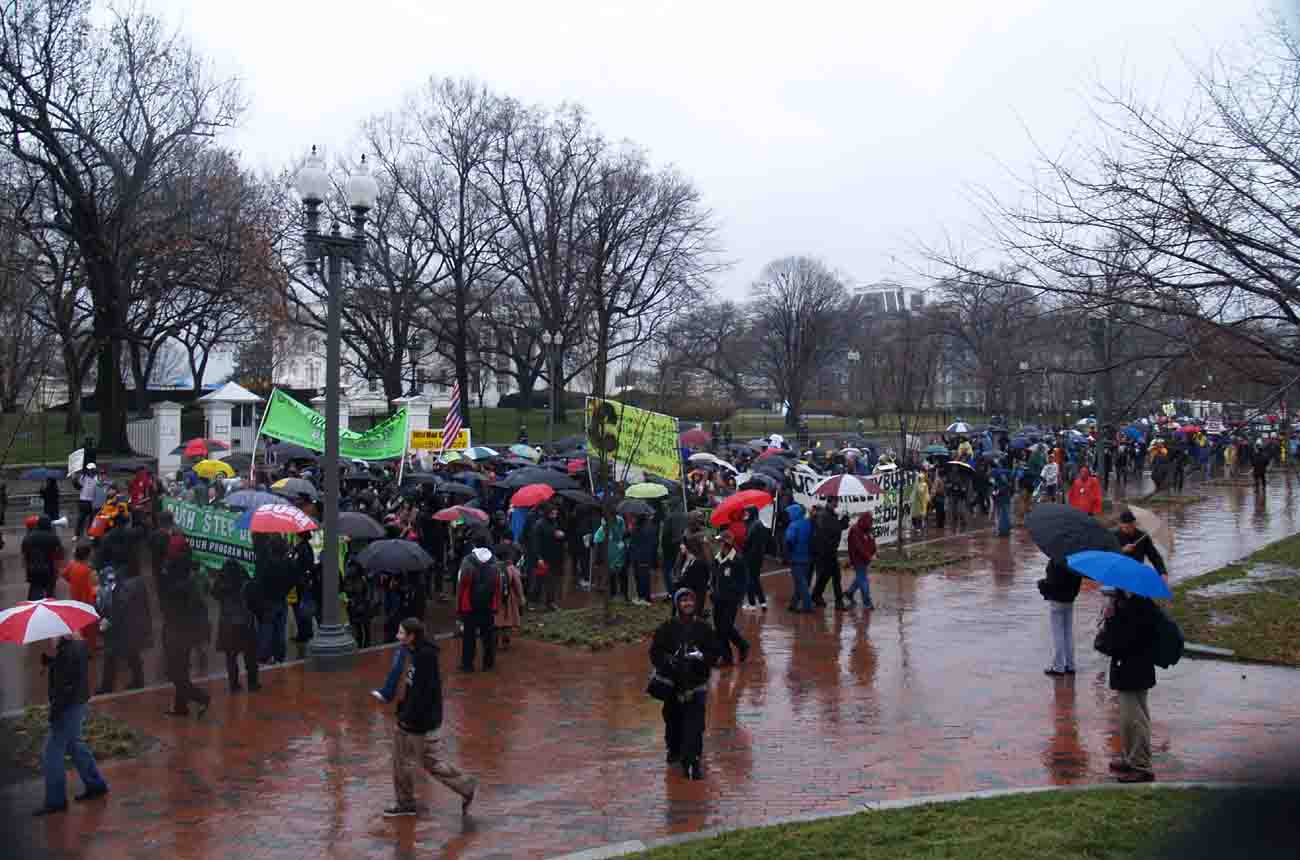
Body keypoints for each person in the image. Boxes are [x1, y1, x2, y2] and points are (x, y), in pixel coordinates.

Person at [384, 617, 478, 818]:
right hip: (413, 717)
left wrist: (407, 716)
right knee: (408, 760)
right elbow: (411, 687)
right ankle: (406, 802)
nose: (397, 636)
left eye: (401, 633)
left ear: (411, 636)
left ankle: (463, 785)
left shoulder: (423, 657)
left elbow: (422, 692)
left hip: (417, 721)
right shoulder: (414, 653)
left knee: (421, 761)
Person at [35, 631, 109, 816]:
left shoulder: (67, 652)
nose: (49, 639)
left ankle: (56, 800)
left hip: (67, 706)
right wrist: (52, 662)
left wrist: (55, 712)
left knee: (51, 753)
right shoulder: (76, 646)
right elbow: (71, 673)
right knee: (74, 745)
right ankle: (96, 785)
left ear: (61, 634)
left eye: (51, 635)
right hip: (77, 702)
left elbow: (65, 686)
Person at [649, 589, 718, 780]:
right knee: (673, 721)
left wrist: (702, 657)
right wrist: (668, 661)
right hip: (673, 685)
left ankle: (693, 761)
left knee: (695, 725)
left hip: (696, 684)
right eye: (683, 600)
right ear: (677, 604)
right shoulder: (667, 627)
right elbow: (655, 653)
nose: (687, 604)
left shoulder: (704, 628)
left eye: (690, 600)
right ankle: (674, 750)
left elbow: (714, 653)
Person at [1095, 589, 1159, 782]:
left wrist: (1110, 620)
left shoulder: (1139, 606)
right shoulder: (1128, 602)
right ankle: (1131, 757)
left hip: (1133, 669)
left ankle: (1141, 766)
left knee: (1134, 719)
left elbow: (1122, 641)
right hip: (1129, 669)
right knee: (1127, 717)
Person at [157, 530, 211, 718]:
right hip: (183, 631)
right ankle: (181, 707)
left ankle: (201, 697)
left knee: (175, 673)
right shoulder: (189, 578)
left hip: (177, 631)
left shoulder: (178, 585)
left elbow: (171, 606)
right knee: (181, 671)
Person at [212, 560, 260, 693]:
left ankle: (233, 684)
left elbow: (214, 593)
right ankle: (252, 683)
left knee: (231, 657)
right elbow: (254, 601)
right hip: (245, 623)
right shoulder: (245, 583)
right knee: (250, 656)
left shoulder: (221, 585)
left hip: (227, 624)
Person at [710, 530, 750, 666]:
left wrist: (738, 597)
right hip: (717, 599)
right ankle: (726, 656)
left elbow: (743, 581)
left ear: (726, 544)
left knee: (726, 627)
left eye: (720, 542)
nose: (718, 544)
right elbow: (714, 576)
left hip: (731, 600)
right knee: (718, 627)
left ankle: (742, 645)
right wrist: (712, 590)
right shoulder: (717, 559)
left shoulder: (737, 560)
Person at [457, 546, 499, 672]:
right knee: (488, 636)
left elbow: (462, 584)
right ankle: (488, 664)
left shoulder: (467, 562)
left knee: (469, 637)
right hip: (488, 605)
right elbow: (498, 585)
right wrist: (495, 605)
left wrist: (459, 606)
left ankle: (467, 665)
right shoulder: (494, 563)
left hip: (470, 606)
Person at [1039, 558, 1082, 675]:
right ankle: (1071, 665)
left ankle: (1058, 667)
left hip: (1056, 600)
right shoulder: (1076, 560)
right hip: (1070, 600)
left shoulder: (1056, 560)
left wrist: (1041, 584)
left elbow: (1050, 582)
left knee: (1057, 634)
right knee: (1068, 633)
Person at [60, 543, 98, 653]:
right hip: (87, 600)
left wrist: (73, 582)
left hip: (75, 598)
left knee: (80, 625)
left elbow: (64, 575)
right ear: (87, 555)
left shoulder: (72, 565)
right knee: (90, 628)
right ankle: (90, 650)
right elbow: (93, 585)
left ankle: (81, 648)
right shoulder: (88, 570)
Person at [810, 500, 847, 610]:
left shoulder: (831, 514)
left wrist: (842, 523)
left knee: (827, 576)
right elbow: (829, 531)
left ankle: (817, 596)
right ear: (831, 502)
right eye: (836, 500)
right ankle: (838, 601)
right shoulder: (824, 515)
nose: (837, 502)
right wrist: (841, 524)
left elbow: (835, 529)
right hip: (826, 551)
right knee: (833, 576)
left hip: (830, 550)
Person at [1114, 511, 1169, 578]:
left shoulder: (1143, 537)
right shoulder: (1114, 536)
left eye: (1129, 527)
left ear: (1134, 523)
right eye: (1124, 527)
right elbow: (1107, 554)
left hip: (1137, 572)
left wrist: (1162, 572)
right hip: (1120, 573)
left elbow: (1154, 556)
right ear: (1120, 524)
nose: (1126, 530)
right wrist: (1122, 550)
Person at [22, 515, 63, 600]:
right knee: (49, 593)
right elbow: (59, 554)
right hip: (49, 569)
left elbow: (24, 554)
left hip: (32, 569)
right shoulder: (53, 537)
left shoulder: (28, 537)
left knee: (34, 591)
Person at [783, 503, 814, 613]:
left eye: (789, 514)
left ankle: (807, 605)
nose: (788, 516)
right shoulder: (807, 523)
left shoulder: (793, 525)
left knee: (801, 583)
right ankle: (793, 603)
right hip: (807, 557)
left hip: (796, 557)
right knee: (800, 582)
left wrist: (787, 555)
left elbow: (789, 540)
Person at [494, 543, 525, 650]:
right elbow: (518, 585)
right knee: (507, 619)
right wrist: (521, 598)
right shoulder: (511, 568)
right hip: (508, 599)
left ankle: (494, 639)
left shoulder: (491, 567)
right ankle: (505, 639)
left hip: (494, 598)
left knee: (495, 620)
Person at [844, 511, 876, 609]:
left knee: (860, 578)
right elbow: (858, 548)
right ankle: (867, 602)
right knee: (863, 580)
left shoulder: (868, 529)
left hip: (864, 559)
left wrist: (873, 552)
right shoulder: (855, 530)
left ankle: (849, 592)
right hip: (858, 560)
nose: (870, 525)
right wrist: (869, 556)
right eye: (870, 522)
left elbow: (872, 542)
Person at [593, 514, 629, 602]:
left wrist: (624, 542)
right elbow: (597, 540)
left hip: (620, 553)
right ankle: (614, 594)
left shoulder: (620, 521)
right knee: (612, 575)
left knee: (622, 575)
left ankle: (624, 594)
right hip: (611, 555)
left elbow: (624, 535)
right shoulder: (603, 526)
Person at [740, 507, 768, 610]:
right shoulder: (759, 524)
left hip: (750, 556)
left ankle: (752, 604)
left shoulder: (753, 525)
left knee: (750, 580)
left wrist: (743, 546)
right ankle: (762, 602)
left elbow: (748, 542)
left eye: (747, 513)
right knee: (755, 580)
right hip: (758, 556)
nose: (745, 515)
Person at [75, 464, 99, 538]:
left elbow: (98, 490)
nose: (90, 471)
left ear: (94, 470)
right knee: (80, 518)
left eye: (91, 469)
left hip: (92, 501)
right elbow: (78, 487)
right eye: (88, 469)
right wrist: (74, 480)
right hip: (83, 501)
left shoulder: (97, 478)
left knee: (92, 519)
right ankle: (77, 534)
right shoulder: (83, 477)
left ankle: (90, 534)